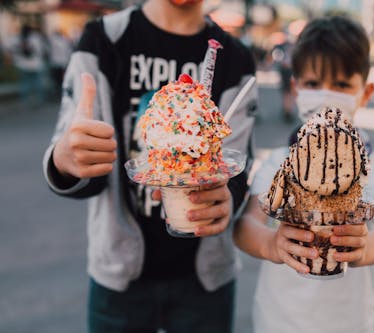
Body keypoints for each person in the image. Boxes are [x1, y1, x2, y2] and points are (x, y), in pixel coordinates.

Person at [42, 0, 257, 332]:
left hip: (207, 279)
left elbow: (237, 163)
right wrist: (66, 159)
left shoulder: (234, 56)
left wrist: (226, 199)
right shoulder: (104, 40)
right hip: (118, 276)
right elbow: (73, 148)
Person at [233, 15, 374, 333]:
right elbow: (246, 226)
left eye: (341, 85)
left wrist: (364, 248)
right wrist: (272, 245)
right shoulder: (279, 162)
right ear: (295, 88)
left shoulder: (371, 166)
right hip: (278, 320)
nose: (326, 96)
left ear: (365, 93)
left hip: (350, 322)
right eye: (313, 84)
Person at [7, 24, 46, 106]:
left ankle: (25, 101)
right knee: (38, 83)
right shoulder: (35, 38)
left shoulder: (18, 38)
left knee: (25, 83)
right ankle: (39, 100)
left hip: (23, 65)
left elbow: (10, 48)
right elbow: (41, 50)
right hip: (35, 64)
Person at [47, 29, 73, 98]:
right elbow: (68, 51)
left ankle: (58, 94)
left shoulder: (52, 40)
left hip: (55, 63)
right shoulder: (64, 40)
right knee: (63, 80)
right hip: (63, 63)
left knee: (57, 81)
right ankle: (63, 93)